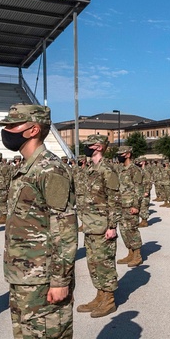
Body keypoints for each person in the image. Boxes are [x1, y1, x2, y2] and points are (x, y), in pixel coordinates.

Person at [0, 103, 79, 339]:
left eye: (13, 126)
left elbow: (64, 228)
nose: (7, 131)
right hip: (23, 276)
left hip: (45, 279)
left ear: (33, 129)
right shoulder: (25, 169)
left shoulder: (50, 170)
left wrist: (60, 279)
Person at [75, 134, 120, 318]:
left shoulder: (107, 169)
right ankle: (100, 295)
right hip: (90, 225)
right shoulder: (90, 169)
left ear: (99, 147)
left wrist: (112, 226)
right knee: (93, 263)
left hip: (103, 227)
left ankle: (109, 299)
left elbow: (114, 198)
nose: (86, 148)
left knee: (105, 263)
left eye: (90, 145)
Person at [115, 145, 144, 267]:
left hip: (131, 205)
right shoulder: (121, 169)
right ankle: (130, 253)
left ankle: (137, 255)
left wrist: (136, 205)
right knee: (123, 230)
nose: (119, 156)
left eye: (121, 154)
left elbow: (139, 189)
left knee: (132, 230)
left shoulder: (134, 170)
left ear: (128, 154)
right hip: (121, 204)